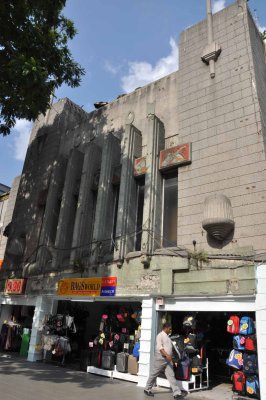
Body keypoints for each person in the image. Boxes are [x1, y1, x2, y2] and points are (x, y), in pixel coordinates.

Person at [144, 322, 185, 399]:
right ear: (166, 328)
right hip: (160, 359)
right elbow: (160, 348)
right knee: (154, 374)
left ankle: (177, 393)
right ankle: (147, 389)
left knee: (171, 376)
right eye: (170, 329)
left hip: (168, 360)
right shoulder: (160, 335)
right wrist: (167, 355)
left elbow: (170, 348)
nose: (170, 330)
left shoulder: (168, 336)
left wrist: (172, 358)